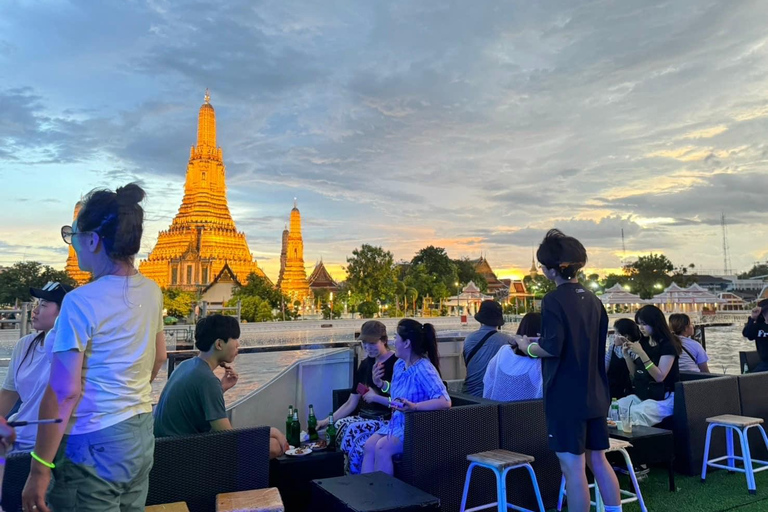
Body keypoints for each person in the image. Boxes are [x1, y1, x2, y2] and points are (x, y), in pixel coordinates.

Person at [22, 184, 167, 512]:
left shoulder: (78, 302)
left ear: (92, 240)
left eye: (73, 235)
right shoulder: (151, 290)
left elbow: (63, 392)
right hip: (140, 434)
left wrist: (39, 468)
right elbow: (159, 358)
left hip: (92, 443)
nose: (72, 244)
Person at [517, 229, 621, 512]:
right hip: (597, 393)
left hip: (566, 397)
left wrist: (526, 346)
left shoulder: (553, 300)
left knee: (573, 468)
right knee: (599, 461)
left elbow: (553, 348)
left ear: (552, 270)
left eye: (542, 266)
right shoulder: (594, 301)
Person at [154, 314, 288, 458]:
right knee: (274, 445)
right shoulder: (207, 380)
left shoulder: (187, 365)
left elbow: (193, 406)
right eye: (234, 339)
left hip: (164, 451)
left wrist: (221, 387)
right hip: (184, 457)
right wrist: (271, 431)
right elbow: (228, 439)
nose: (238, 345)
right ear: (219, 344)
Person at [361, 319, 451, 476]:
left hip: (416, 426)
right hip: (397, 423)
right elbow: (395, 392)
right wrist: (381, 384)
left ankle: (385, 497)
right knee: (369, 445)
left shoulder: (423, 368)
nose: (394, 342)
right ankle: (367, 493)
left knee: (382, 447)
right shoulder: (399, 365)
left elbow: (445, 401)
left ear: (407, 343)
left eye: (396, 338)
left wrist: (415, 407)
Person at [0, 282, 73, 453]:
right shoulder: (24, 345)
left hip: (49, 445)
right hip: (17, 437)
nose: (35, 310)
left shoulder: (71, 351)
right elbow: (9, 393)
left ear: (64, 312)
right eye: (36, 304)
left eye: (44, 305)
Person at [317, 320, 397, 474]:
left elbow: (401, 401)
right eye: (364, 343)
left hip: (386, 419)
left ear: (384, 340)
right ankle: (344, 474)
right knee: (338, 426)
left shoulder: (396, 364)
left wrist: (376, 396)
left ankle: (357, 477)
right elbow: (351, 402)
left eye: (372, 343)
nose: (368, 348)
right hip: (366, 416)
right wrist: (327, 421)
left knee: (352, 431)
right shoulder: (365, 365)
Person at [615, 305, 681, 427]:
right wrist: (626, 356)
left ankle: (640, 444)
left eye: (644, 324)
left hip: (664, 398)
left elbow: (660, 377)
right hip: (644, 394)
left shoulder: (668, 345)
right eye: (639, 324)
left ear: (655, 323)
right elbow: (635, 373)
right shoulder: (643, 342)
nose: (641, 328)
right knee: (617, 407)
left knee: (637, 413)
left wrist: (641, 353)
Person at [482, 312, 543, 401]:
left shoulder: (503, 352)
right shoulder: (540, 363)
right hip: (529, 413)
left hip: (497, 410)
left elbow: (488, 382)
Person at [462, 300, 512, 397]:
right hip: (492, 395)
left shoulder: (469, 339)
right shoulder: (507, 341)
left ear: (480, 320)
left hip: (469, 394)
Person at [605, 319, 641, 399]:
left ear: (625, 337)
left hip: (627, 392)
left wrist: (626, 355)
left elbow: (634, 374)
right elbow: (605, 366)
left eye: (616, 333)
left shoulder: (635, 350)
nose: (613, 336)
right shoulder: (613, 347)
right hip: (610, 389)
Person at [743, 298, 768, 373]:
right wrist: (753, 318)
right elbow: (747, 334)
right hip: (765, 362)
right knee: (751, 379)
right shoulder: (758, 325)